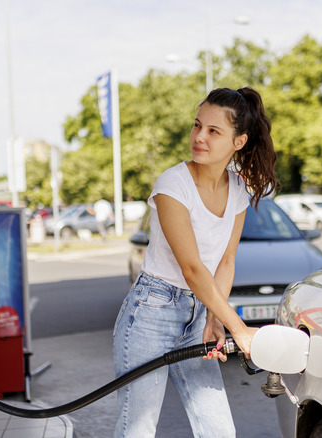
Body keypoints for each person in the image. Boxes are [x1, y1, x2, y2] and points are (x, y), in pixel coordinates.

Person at [112, 87, 279, 437]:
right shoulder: (173, 185)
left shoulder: (237, 190)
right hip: (151, 313)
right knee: (137, 430)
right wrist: (239, 328)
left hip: (198, 315)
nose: (199, 137)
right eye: (197, 125)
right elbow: (192, 268)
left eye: (214, 131)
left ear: (239, 141)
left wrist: (216, 319)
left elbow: (226, 261)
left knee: (218, 430)